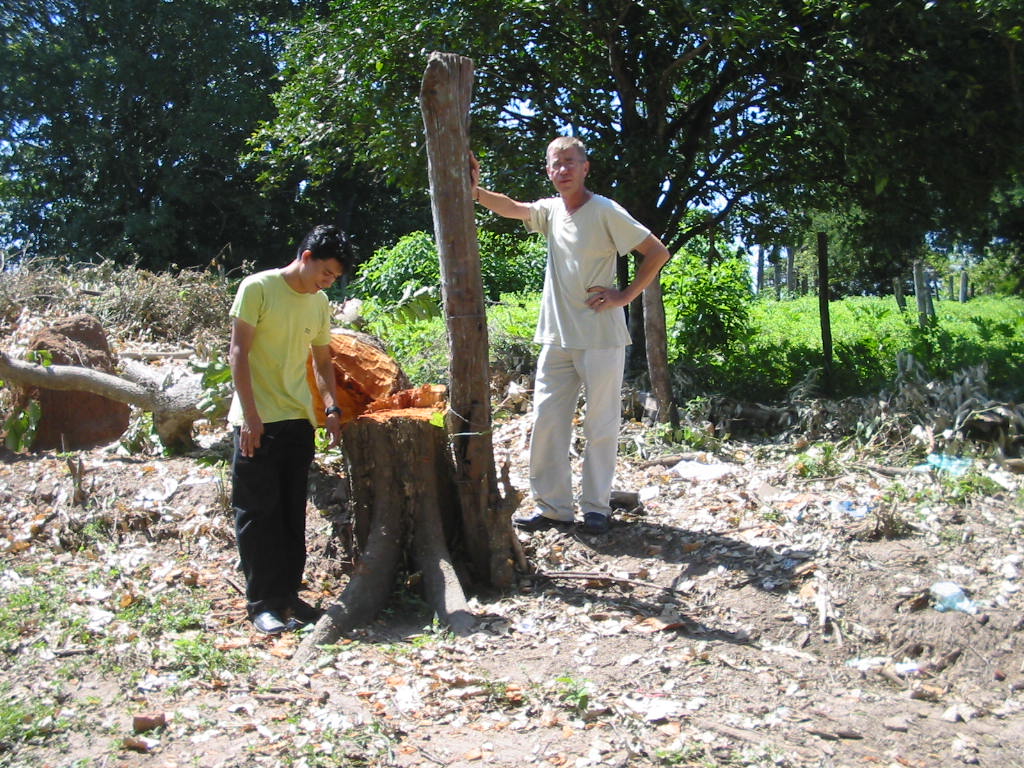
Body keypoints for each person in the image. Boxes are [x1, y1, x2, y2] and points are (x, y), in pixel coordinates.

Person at [470, 137, 671, 535]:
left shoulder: (605, 211)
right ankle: (553, 508)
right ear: (548, 170)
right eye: (555, 164)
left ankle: (596, 508)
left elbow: (656, 252)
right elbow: (513, 207)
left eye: (569, 163)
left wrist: (625, 295)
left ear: (585, 168)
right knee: (546, 422)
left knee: (601, 425)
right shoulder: (550, 212)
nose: (562, 170)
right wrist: (474, 191)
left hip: (600, 337)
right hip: (556, 338)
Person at [227, 224, 351, 634]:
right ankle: (262, 603)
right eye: (326, 272)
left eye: (334, 278)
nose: (328, 282)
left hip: (298, 419)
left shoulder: (318, 304)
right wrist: (249, 415)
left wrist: (330, 406)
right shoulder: (257, 288)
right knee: (257, 514)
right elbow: (238, 352)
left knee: (290, 514)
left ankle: (288, 597)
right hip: (256, 421)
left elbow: (321, 360)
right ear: (307, 257)